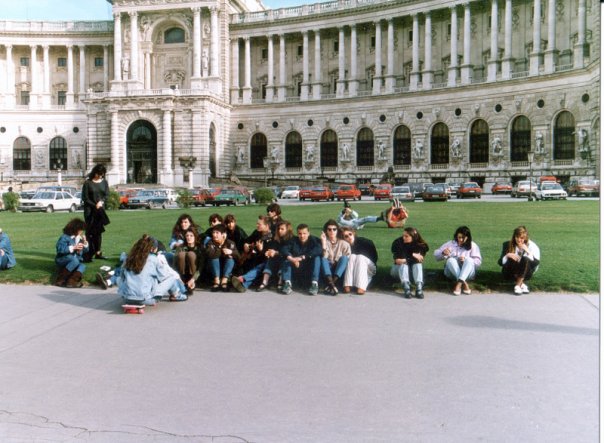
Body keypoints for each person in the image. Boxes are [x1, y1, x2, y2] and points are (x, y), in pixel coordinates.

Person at [118, 235, 187, 305]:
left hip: (127, 298)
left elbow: (122, 277)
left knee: (121, 278)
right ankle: (176, 295)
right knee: (171, 277)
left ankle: (131, 294)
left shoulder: (128, 258)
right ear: (153, 249)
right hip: (146, 299)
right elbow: (165, 276)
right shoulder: (153, 259)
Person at [434, 226, 482, 296]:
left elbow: (478, 262)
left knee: (469, 260)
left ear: (467, 237)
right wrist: (443, 253)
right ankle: (464, 282)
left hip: (468, 274)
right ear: (456, 236)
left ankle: (459, 284)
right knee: (451, 260)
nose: (461, 240)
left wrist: (465, 260)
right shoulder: (450, 244)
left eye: (463, 238)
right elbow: (436, 255)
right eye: (459, 237)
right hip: (451, 273)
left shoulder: (473, 245)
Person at [231, 216, 273, 292]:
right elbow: (247, 240)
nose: (257, 225)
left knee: (260, 267)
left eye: (259, 224)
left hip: (266, 262)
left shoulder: (272, 237)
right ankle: (243, 285)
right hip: (255, 258)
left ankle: (242, 279)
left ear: (267, 226)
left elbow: (269, 256)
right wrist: (246, 244)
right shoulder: (257, 232)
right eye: (257, 223)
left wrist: (261, 250)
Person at [280, 223, 323, 295]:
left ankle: (314, 284)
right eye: (300, 233)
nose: (302, 236)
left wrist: (303, 257)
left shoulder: (314, 240)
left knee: (317, 258)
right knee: (287, 259)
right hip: (296, 266)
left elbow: (318, 250)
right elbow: (284, 249)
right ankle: (287, 284)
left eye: (304, 233)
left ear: (308, 233)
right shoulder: (293, 240)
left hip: (308, 267)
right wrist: (292, 259)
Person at [498, 226, 540, 295]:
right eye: (517, 237)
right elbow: (500, 262)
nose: (519, 240)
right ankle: (522, 284)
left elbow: (535, 264)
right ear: (514, 237)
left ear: (525, 238)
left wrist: (528, 251)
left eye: (522, 238)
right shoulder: (507, 244)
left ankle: (517, 285)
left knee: (525, 259)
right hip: (509, 273)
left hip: (526, 273)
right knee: (512, 257)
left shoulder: (531, 246)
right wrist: (507, 255)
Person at [81, 163, 110, 262]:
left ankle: (98, 252)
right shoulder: (87, 183)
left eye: (102, 174)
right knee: (89, 232)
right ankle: (89, 253)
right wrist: (95, 205)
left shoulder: (104, 182)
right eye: (99, 174)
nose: (100, 176)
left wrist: (101, 202)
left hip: (100, 210)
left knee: (98, 232)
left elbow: (106, 195)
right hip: (89, 211)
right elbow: (85, 198)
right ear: (95, 173)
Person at [390, 227, 429, 299]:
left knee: (418, 264)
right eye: (403, 235)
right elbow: (398, 261)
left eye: (406, 236)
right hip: (398, 270)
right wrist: (413, 255)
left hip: (413, 272)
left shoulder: (420, 245)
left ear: (413, 237)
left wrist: (406, 259)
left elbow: (418, 260)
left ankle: (419, 288)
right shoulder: (398, 242)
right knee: (403, 265)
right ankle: (406, 288)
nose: (403, 238)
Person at [341, 227, 378, 295]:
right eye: (346, 236)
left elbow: (375, 257)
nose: (349, 237)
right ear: (343, 239)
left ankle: (361, 287)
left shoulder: (365, 242)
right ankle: (347, 284)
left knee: (360, 257)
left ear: (354, 233)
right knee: (352, 256)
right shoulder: (345, 246)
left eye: (350, 234)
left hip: (369, 267)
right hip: (355, 268)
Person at [258, 220, 293, 291]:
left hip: (289, 261)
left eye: (282, 229)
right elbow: (272, 248)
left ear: (287, 230)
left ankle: (280, 282)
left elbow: (287, 251)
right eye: (279, 229)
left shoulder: (291, 239)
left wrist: (276, 252)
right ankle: (264, 282)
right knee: (271, 258)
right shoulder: (277, 239)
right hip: (277, 259)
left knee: (285, 259)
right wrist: (269, 252)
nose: (280, 231)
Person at [55, 218, 89, 288]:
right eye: (80, 230)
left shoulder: (79, 238)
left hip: (74, 260)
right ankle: (60, 279)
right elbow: (60, 249)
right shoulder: (64, 237)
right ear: (75, 229)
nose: (81, 232)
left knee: (82, 266)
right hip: (63, 259)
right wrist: (73, 247)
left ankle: (71, 282)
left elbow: (86, 251)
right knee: (74, 260)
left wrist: (85, 243)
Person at [206, 224, 240, 292]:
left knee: (230, 258)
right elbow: (211, 254)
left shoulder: (230, 243)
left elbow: (238, 256)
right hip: (214, 268)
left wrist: (231, 252)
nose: (214, 235)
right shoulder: (210, 243)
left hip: (226, 267)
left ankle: (224, 280)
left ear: (223, 234)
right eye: (213, 232)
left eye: (217, 233)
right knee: (214, 257)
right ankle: (217, 281)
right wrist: (221, 247)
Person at [319, 219, 350, 295]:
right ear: (326, 231)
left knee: (344, 258)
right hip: (327, 270)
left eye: (334, 229)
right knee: (323, 259)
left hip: (338, 271)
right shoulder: (323, 242)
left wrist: (337, 261)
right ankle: (332, 285)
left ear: (337, 230)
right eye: (329, 229)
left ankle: (331, 284)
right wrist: (324, 244)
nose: (332, 231)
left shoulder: (344, 244)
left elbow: (347, 259)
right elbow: (324, 257)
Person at [174, 228, 203, 295]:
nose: (189, 237)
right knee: (181, 254)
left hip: (195, 274)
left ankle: (192, 283)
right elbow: (174, 264)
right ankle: (183, 282)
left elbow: (201, 266)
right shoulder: (180, 247)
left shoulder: (200, 248)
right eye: (187, 236)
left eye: (191, 236)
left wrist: (193, 279)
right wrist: (178, 278)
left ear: (195, 237)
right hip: (182, 273)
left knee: (191, 254)